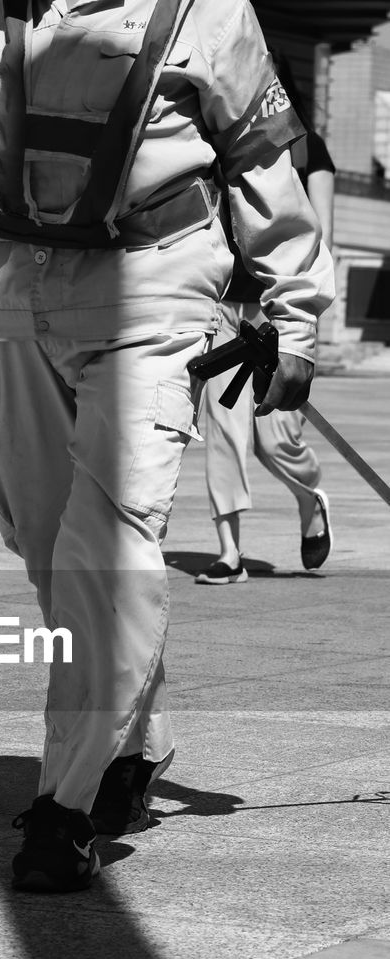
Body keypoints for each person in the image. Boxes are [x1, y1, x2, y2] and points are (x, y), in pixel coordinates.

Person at [0, 0, 334, 893]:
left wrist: (295, 320)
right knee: (48, 548)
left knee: (109, 546)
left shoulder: (208, 11)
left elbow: (261, 163)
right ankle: (143, 745)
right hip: (14, 295)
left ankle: (67, 804)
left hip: (153, 291)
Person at [196, 54, 336, 583]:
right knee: (224, 431)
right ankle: (229, 553)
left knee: (276, 438)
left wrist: (307, 320)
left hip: (275, 308)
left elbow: (320, 235)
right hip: (222, 301)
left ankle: (310, 497)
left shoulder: (309, 151)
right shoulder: (212, 143)